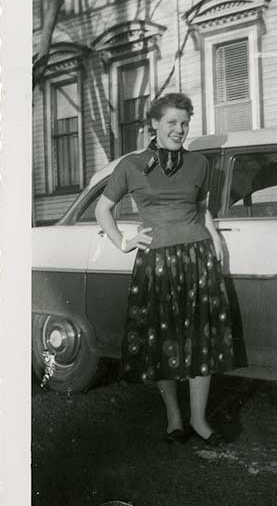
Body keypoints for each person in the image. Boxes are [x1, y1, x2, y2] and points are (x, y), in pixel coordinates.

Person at [95, 92, 234, 445]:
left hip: (196, 259)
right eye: (172, 122)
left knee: (200, 341)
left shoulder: (200, 164)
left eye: (184, 123)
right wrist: (124, 242)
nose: (180, 129)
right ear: (154, 124)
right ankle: (174, 417)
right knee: (164, 342)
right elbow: (103, 210)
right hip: (156, 262)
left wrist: (214, 238)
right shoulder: (130, 165)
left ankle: (199, 420)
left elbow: (202, 207)